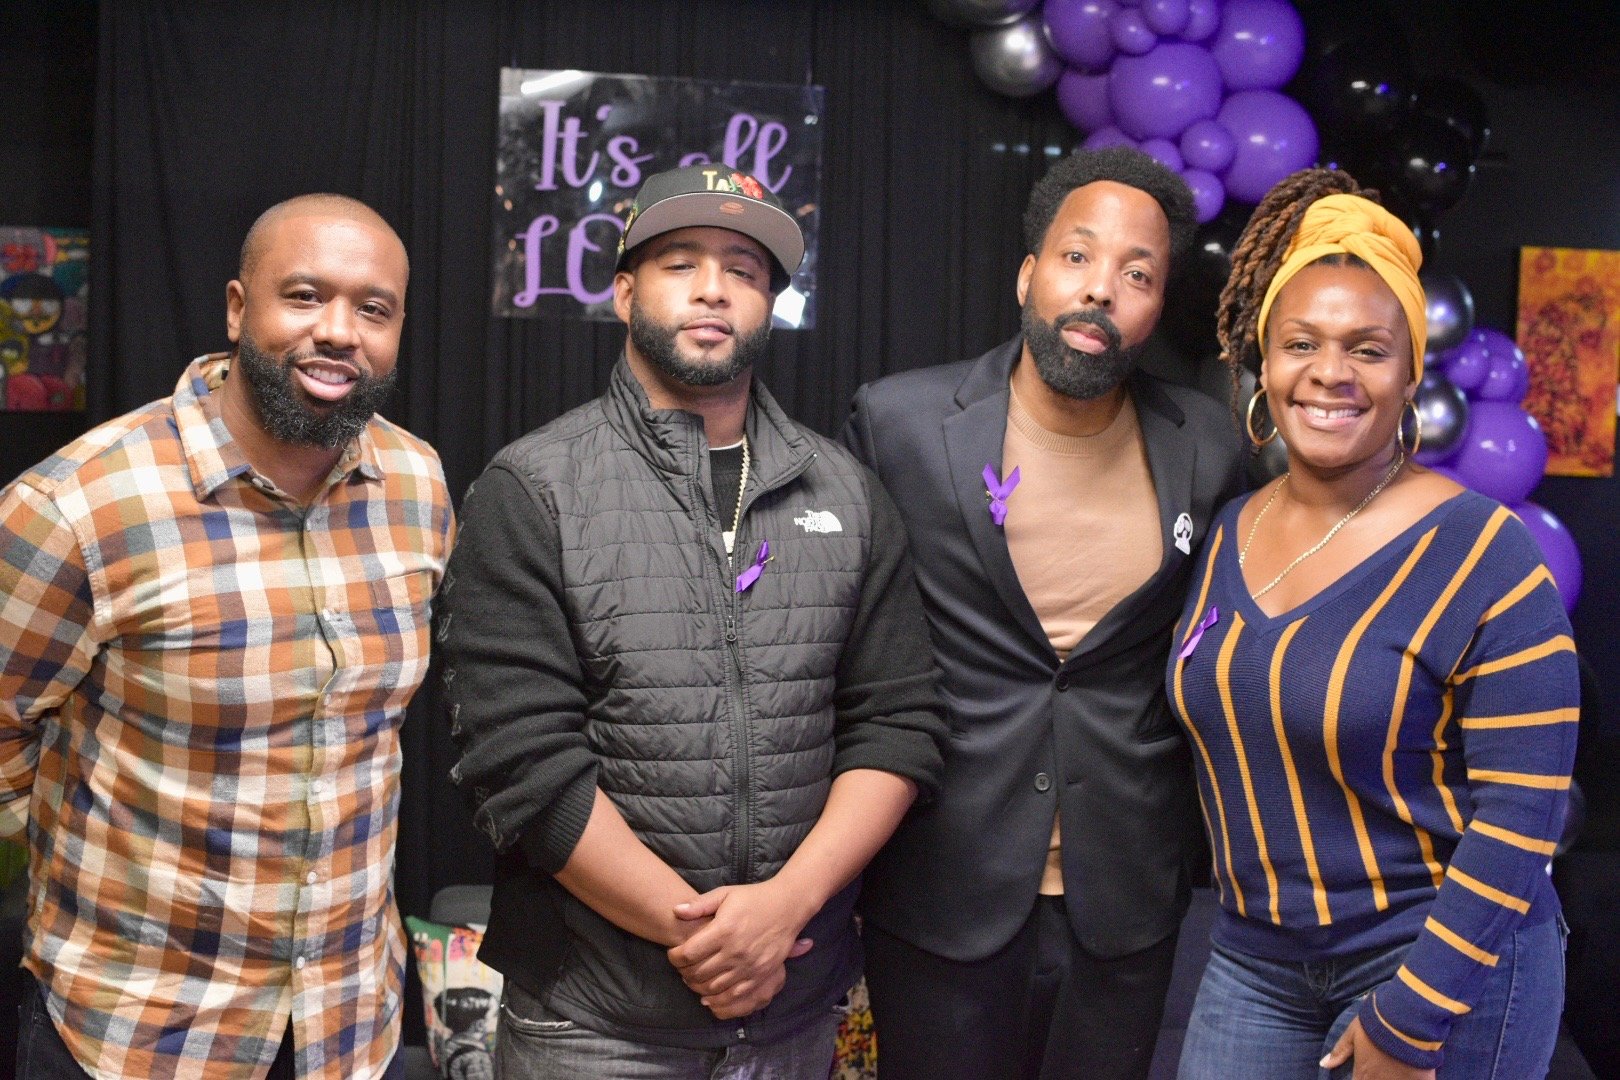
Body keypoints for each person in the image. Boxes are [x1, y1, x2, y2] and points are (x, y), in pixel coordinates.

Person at [440, 163, 946, 1077]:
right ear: (624, 289)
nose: (715, 287)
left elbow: (896, 724)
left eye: (745, 270)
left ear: (770, 305)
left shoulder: (848, 492)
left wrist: (783, 911)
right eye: (681, 262)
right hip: (593, 1026)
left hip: (794, 1006)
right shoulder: (533, 489)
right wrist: (715, 942)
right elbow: (520, 766)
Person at [0, 194, 453, 1079]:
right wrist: (87, 857)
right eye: (305, 296)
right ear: (240, 309)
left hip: (348, 1030)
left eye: (373, 309)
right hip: (136, 1035)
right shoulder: (77, 507)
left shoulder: (417, 484)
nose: (338, 331)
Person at [840, 146, 1245, 1079]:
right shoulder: (897, 424)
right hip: (940, 884)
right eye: (1078, 257)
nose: (1102, 289)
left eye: (1137, 274)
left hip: (1126, 897)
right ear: (1029, 274)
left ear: (1157, 303)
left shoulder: (1212, 445)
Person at [1168, 168, 1579, 1079]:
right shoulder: (1230, 528)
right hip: (1253, 954)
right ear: (1263, 367)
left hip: (1438, 953)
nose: (1329, 374)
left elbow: (1523, 812)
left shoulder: (1483, 552)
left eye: (1367, 349)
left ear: (1410, 375)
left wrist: (1418, 1010)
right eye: (1301, 343)